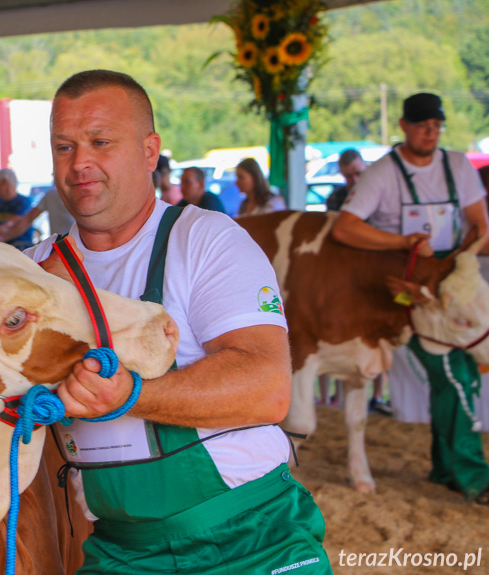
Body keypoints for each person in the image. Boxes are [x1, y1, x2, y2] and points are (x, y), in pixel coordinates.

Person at [29, 69, 330, 573]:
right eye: (64, 147)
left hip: (250, 534)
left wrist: (130, 397)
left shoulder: (208, 240)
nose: (80, 163)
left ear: (150, 152)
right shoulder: (31, 272)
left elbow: (268, 388)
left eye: (101, 142)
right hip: (116, 548)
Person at [332, 92, 489, 504]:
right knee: (452, 372)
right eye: (422, 126)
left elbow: (479, 224)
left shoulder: (457, 165)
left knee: (460, 374)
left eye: (436, 126)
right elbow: (345, 228)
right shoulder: (383, 172)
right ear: (403, 126)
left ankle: (446, 467)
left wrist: (463, 258)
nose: (430, 133)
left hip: (451, 284)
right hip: (401, 293)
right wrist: (401, 242)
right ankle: (472, 475)